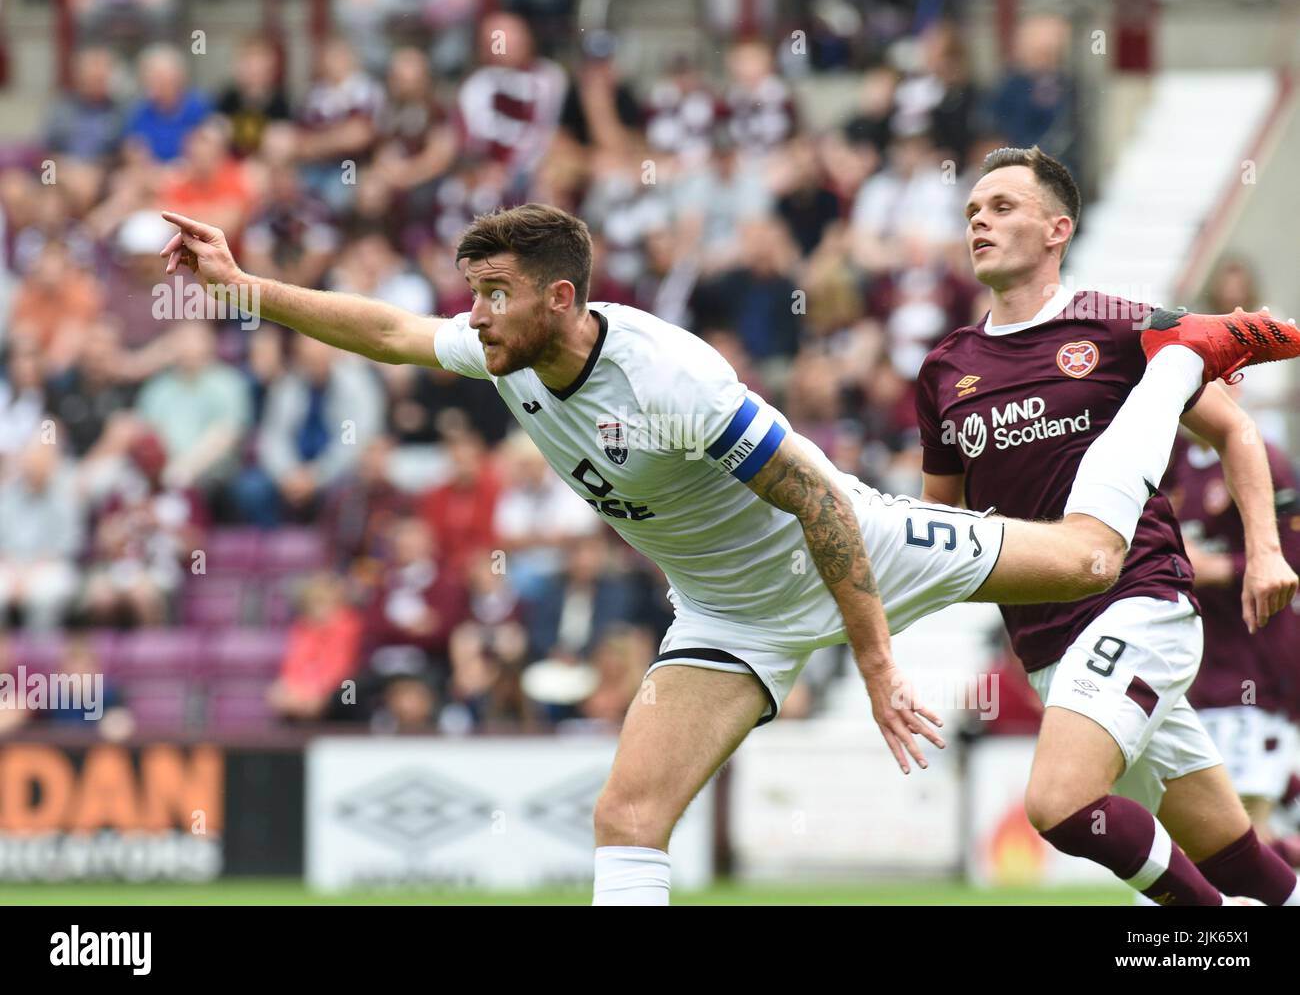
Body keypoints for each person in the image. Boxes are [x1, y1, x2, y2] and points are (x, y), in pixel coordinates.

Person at [158, 198, 1300, 907]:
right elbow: (395, 332)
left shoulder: (669, 380)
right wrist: (244, 287)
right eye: (473, 295)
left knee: (1094, 559)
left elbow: (815, 501)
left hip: (857, 540)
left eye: (495, 295)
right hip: (723, 611)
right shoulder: (500, 350)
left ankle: (1173, 363)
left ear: (562, 298)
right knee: (625, 817)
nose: (475, 314)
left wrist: (874, 663)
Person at [915, 145, 1300, 907]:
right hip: (1046, 643)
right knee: (1232, 851)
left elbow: (1237, 433)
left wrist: (1263, 551)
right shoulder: (944, 371)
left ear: (1058, 229)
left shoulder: (1120, 329)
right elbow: (942, 523)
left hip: (1140, 602)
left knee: (1057, 803)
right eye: (971, 213)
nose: (979, 223)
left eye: (1001, 208)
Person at [1169, 425, 1300, 867]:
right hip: (1194, 676)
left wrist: (1217, 567)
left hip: (1254, 675)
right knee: (1204, 831)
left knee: (1240, 828)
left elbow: (1294, 555)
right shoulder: (1176, 459)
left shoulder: (1262, 457)